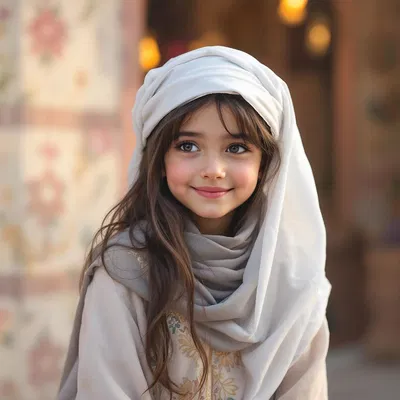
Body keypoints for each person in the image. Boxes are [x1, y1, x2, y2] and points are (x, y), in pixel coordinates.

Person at [58, 46, 331, 400]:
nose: (213, 169)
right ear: (158, 159)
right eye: (188, 146)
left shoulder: (294, 282)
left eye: (236, 148)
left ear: (267, 164)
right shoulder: (124, 274)